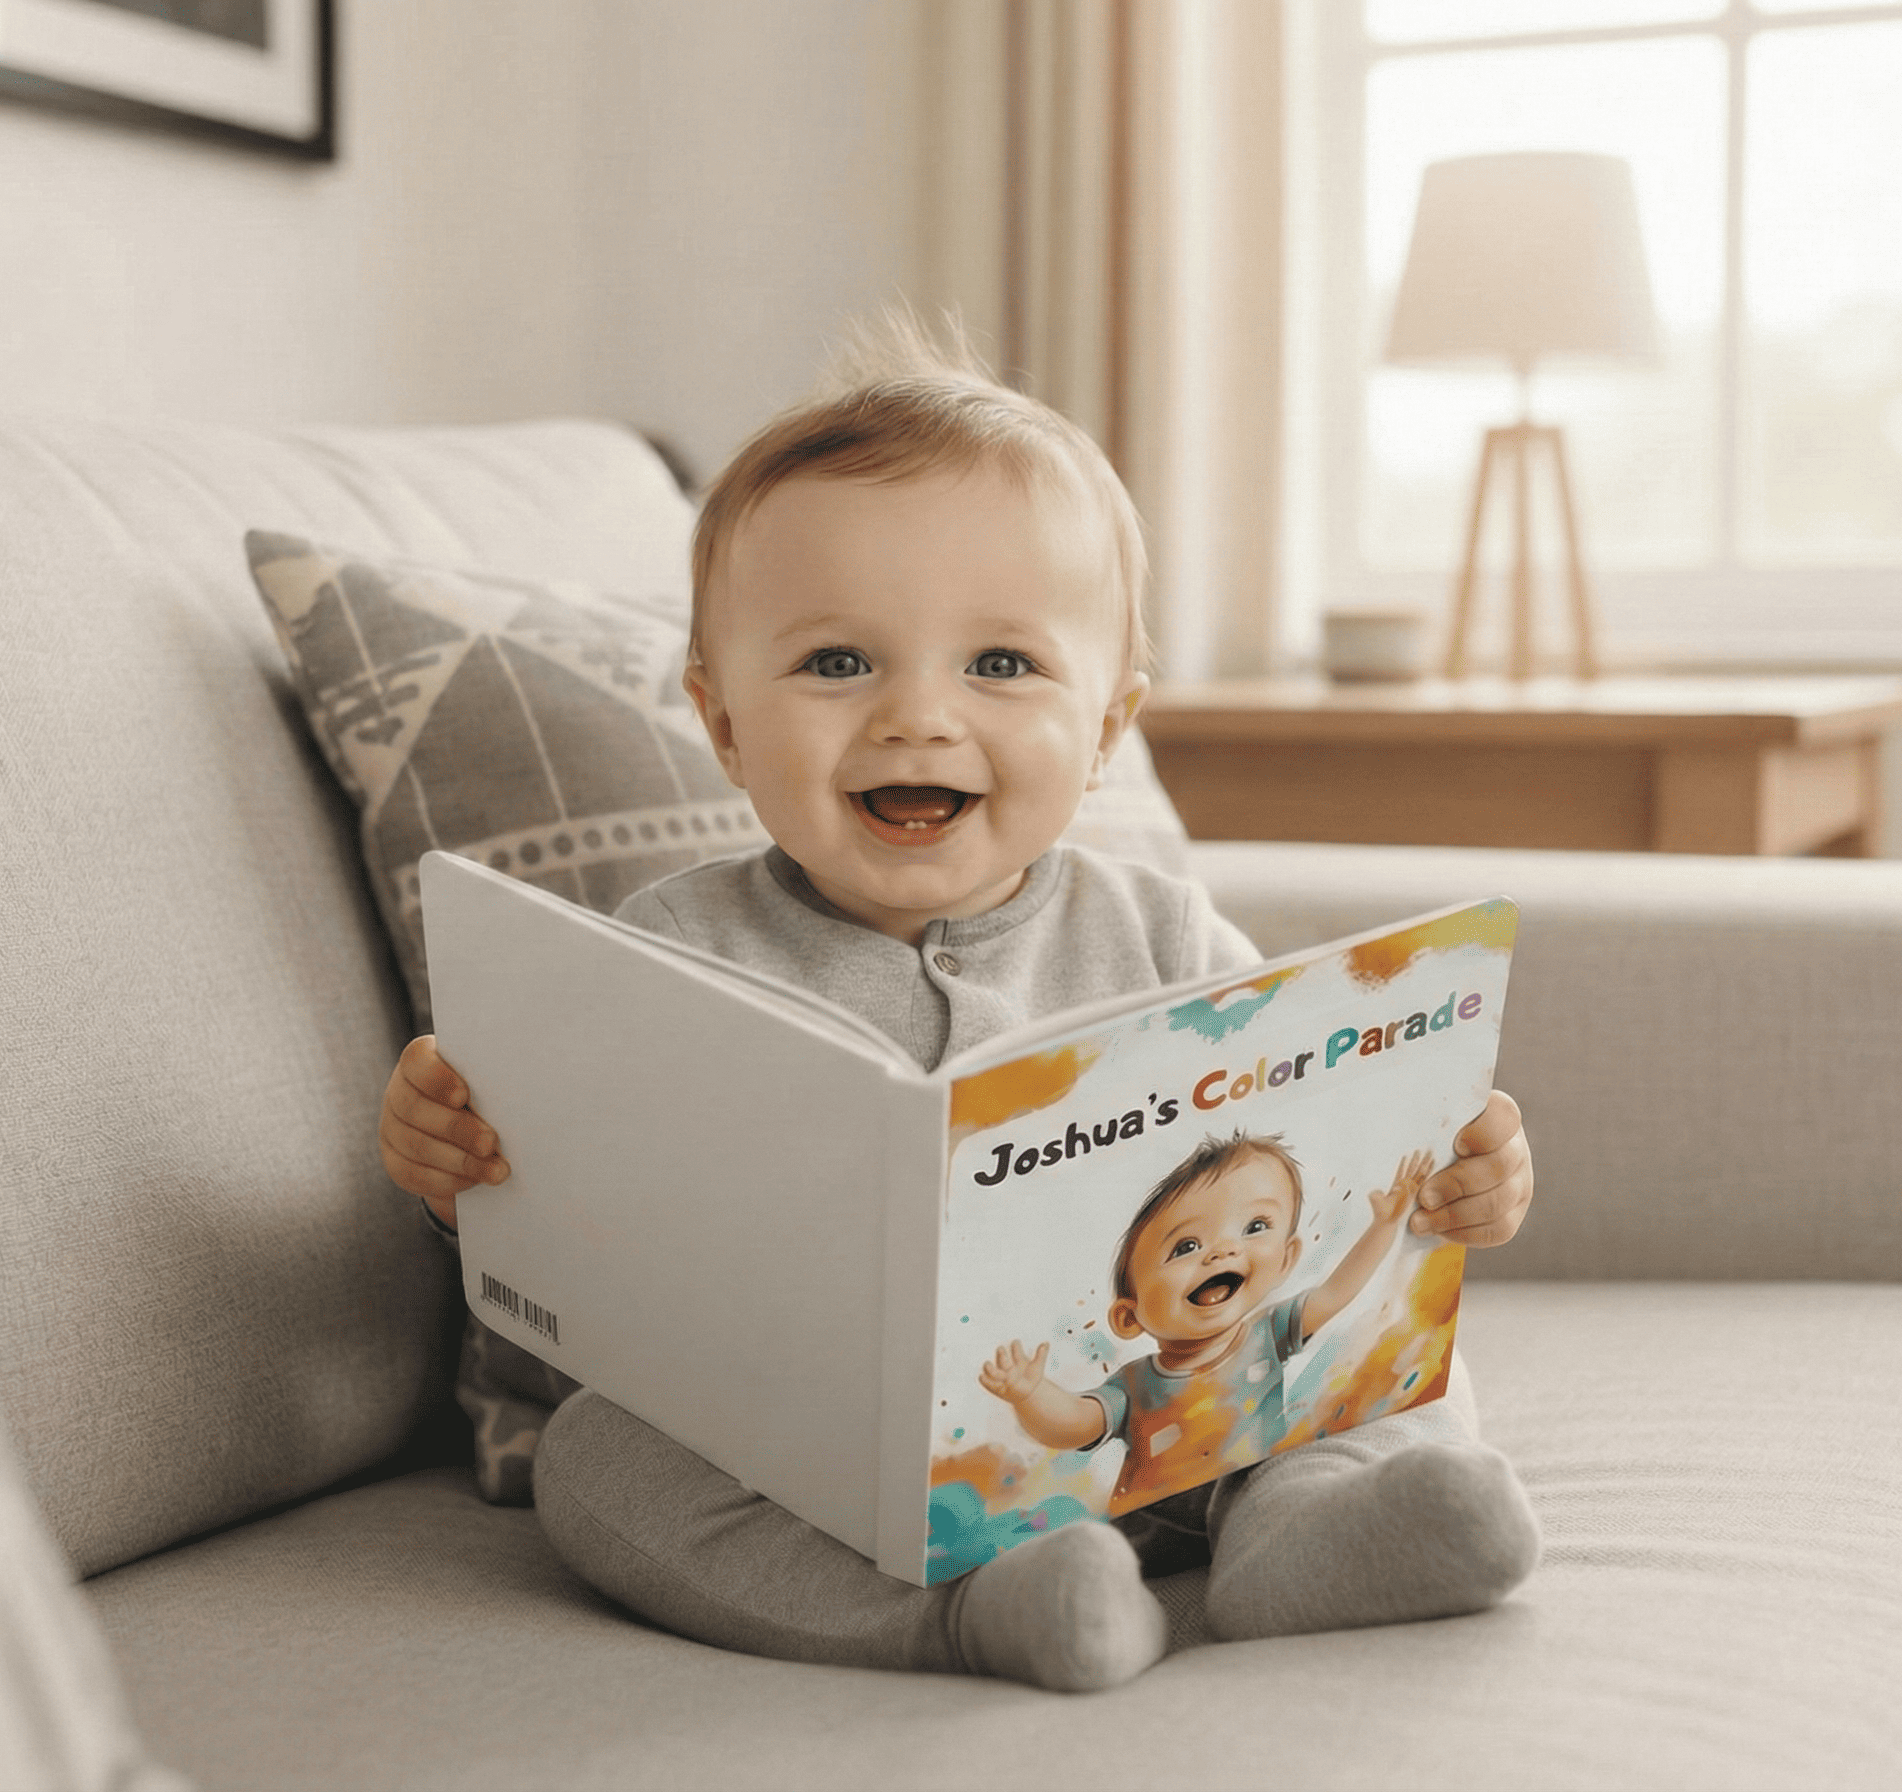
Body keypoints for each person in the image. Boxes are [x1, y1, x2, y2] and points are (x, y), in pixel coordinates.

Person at [377, 314, 1540, 1693]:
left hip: (1196, 1419)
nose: (916, 718)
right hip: (840, 1480)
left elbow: (1325, 1157)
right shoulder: (668, 951)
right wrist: (459, 1172)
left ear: (1107, 725)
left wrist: (1461, 1180)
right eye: (834, 663)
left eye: (998, 665)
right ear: (723, 718)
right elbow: (571, 1261)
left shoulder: (1163, 932)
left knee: (1392, 1377)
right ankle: (987, 1611)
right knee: (597, 1472)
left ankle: (1298, 1540)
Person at [981, 1133, 1434, 1515]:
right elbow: (1076, 1425)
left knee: (1298, 1502)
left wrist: (1383, 1228)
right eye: (1185, 1247)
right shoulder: (1136, 1385)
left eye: (1254, 1226)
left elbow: (1337, 1292)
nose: (1221, 1252)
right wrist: (1030, 1394)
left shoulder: (1268, 1331)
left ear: (1286, 1260)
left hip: (1256, 1496)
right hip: (1154, 1527)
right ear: (1128, 1315)